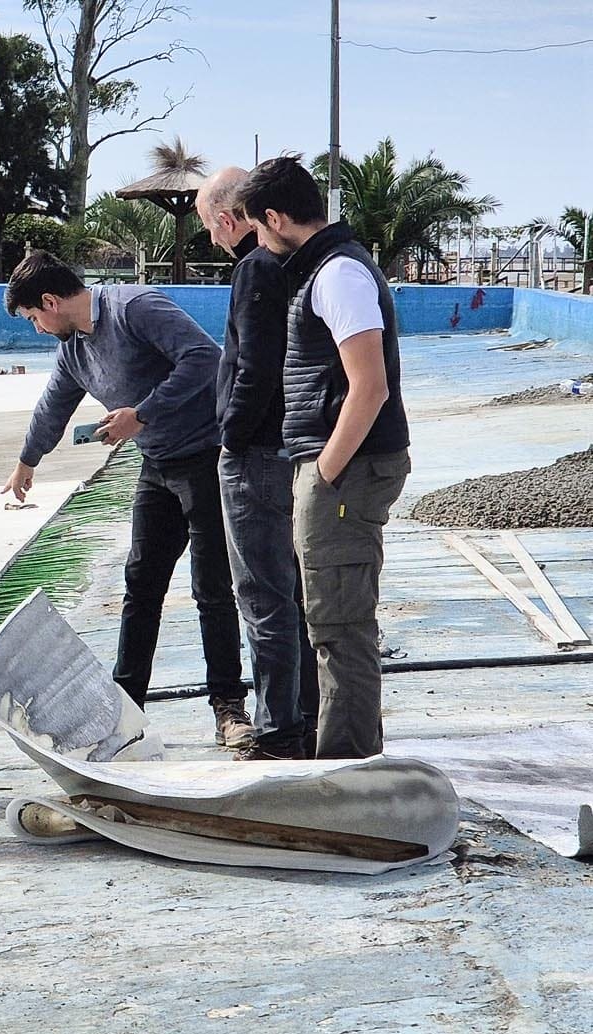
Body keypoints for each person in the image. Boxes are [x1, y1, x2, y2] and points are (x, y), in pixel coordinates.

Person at [1, 252, 252, 750]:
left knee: (211, 588)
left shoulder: (135, 308)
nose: (37, 329)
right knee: (141, 586)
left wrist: (142, 413)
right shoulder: (74, 349)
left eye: (33, 318)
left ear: (50, 301)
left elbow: (206, 358)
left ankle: (228, 706)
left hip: (205, 456)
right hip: (157, 465)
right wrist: (27, 461)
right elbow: (54, 405)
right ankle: (125, 711)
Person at [239, 155, 411, 760]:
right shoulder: (326, 268)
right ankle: (352, 758)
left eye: (256, 228)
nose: (258, 243)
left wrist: (324, 472)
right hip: (337, 467)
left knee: (339, 626)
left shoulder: (337, 274)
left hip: (345, 470)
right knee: (332, 622)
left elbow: (370, 387)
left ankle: (348, 770)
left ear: (275, 218)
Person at [198, 166, 318, 760]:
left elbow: (254, 366)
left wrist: (232, 436)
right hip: (291, 446)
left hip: (257, 453)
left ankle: (277, 731)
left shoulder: (254, 268)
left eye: (210, 227)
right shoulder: (295, 264)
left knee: (263, 595)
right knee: (292, 594)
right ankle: (305, 717)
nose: (212, 239)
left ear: (228, 219)